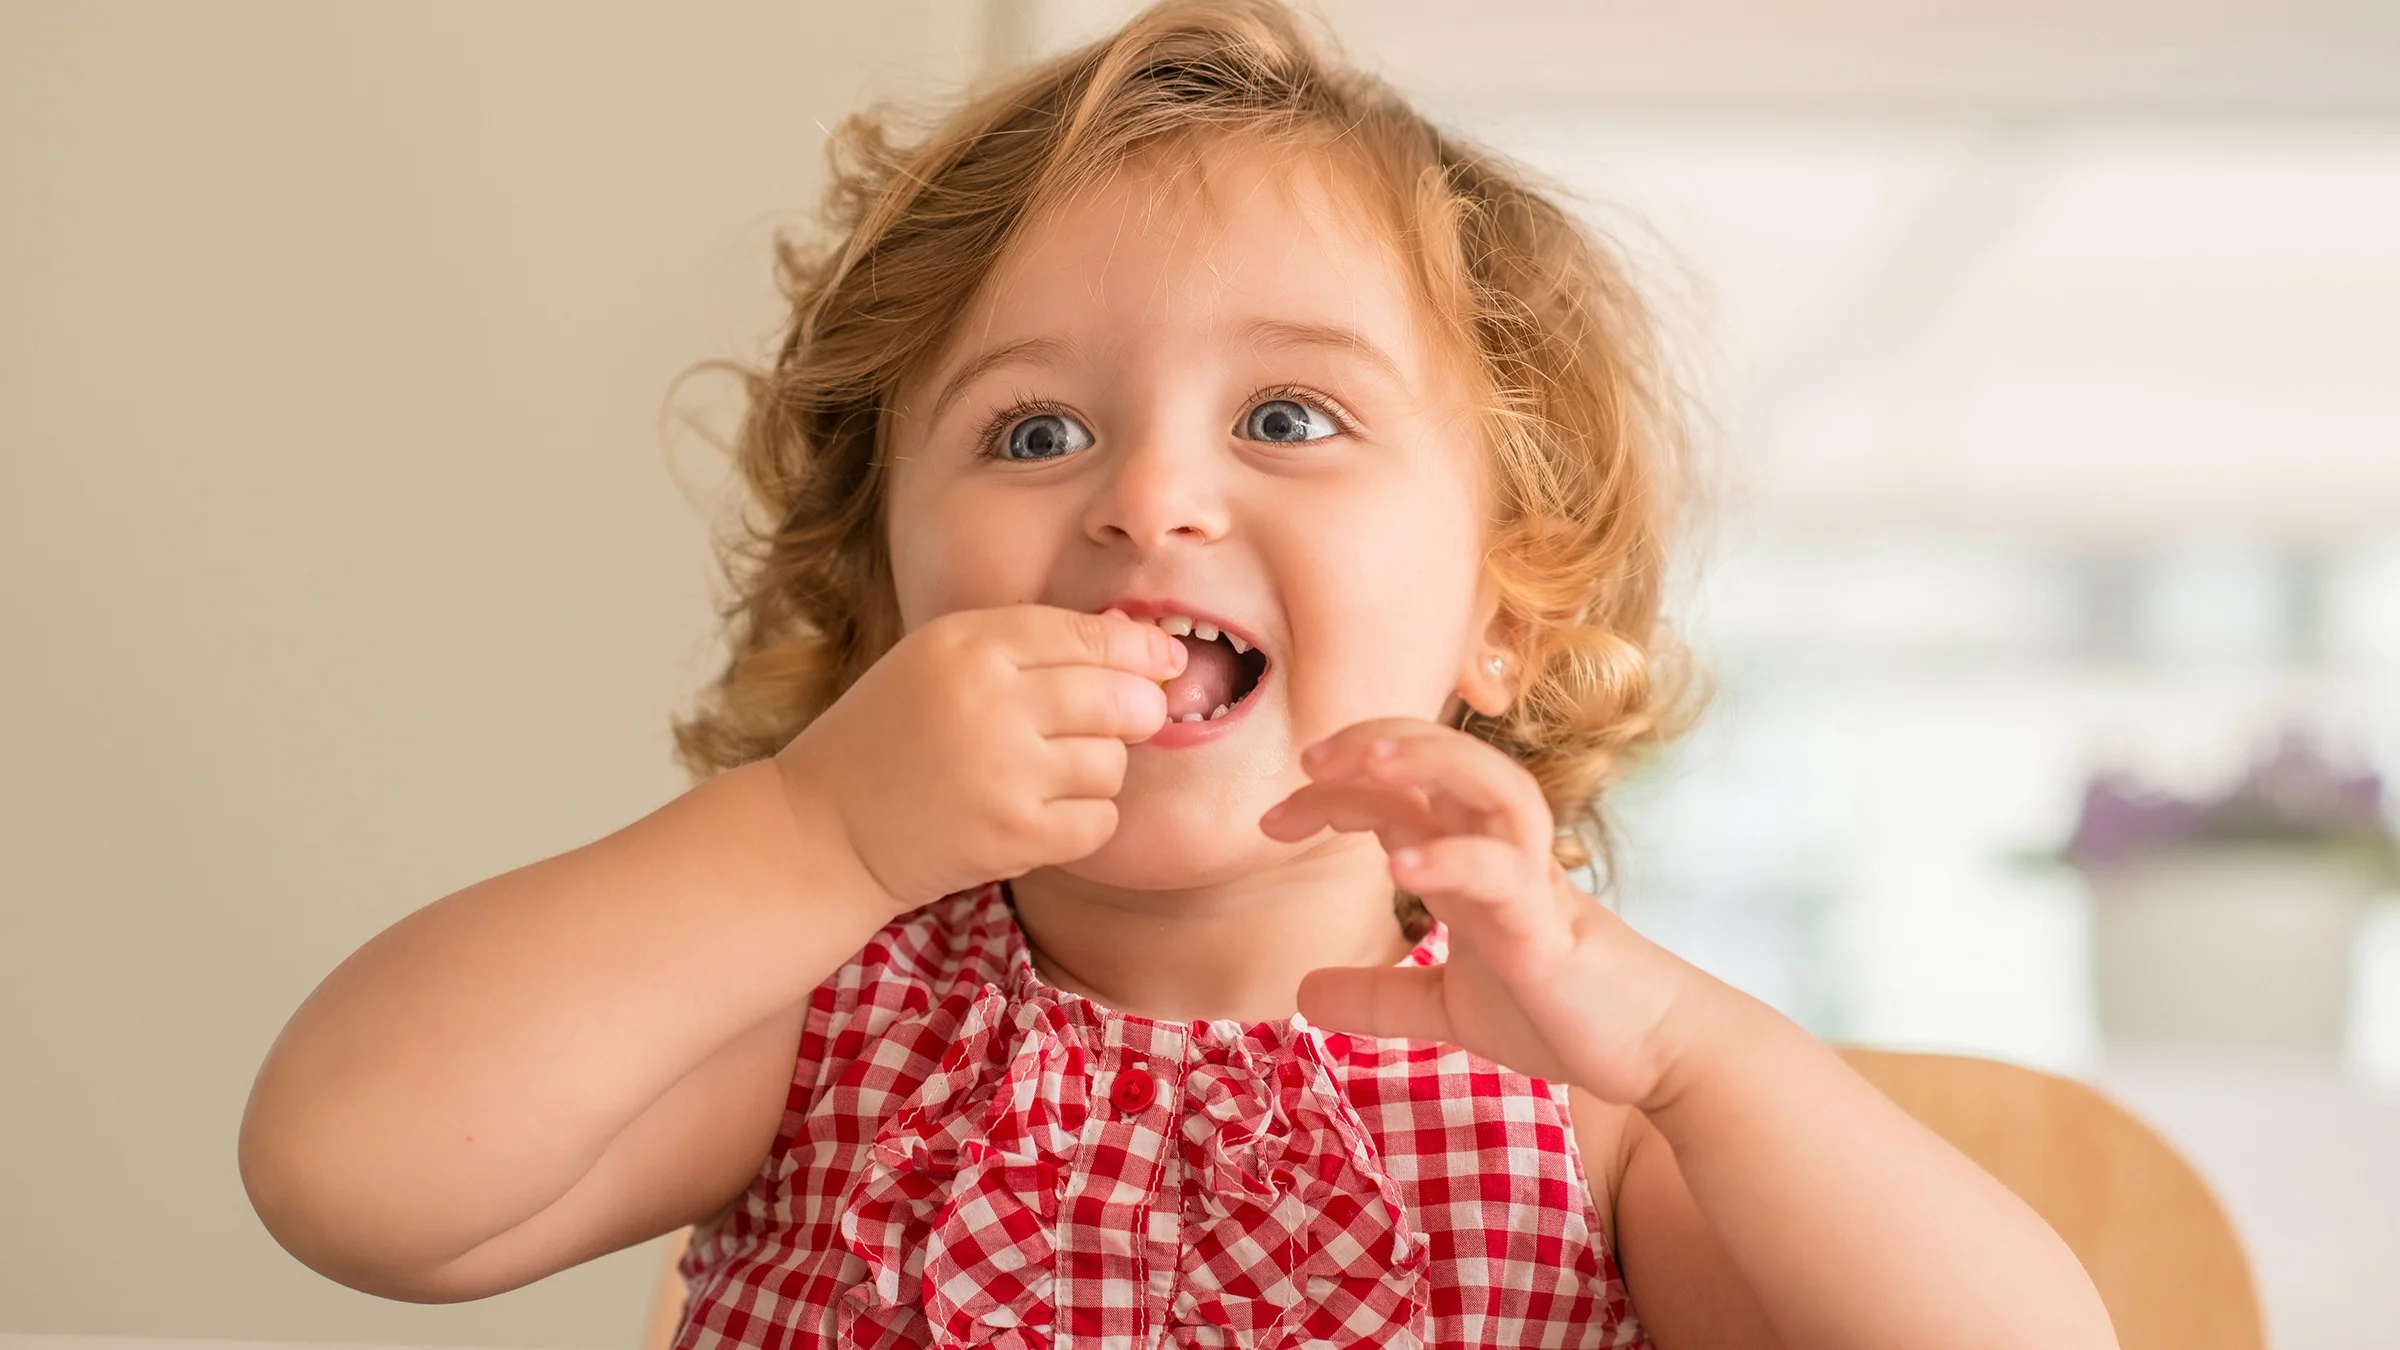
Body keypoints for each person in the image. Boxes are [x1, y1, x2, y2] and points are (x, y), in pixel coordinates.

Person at [238, 2, 2118, 1345]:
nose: (1147, 496)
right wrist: (814, 831)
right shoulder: (816, 1020)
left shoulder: (1591, 1099)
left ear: (1510, 608)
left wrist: (1697, 1058)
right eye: (1033, 431)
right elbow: (351, 1177)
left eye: (1288, 415)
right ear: (884, 599)